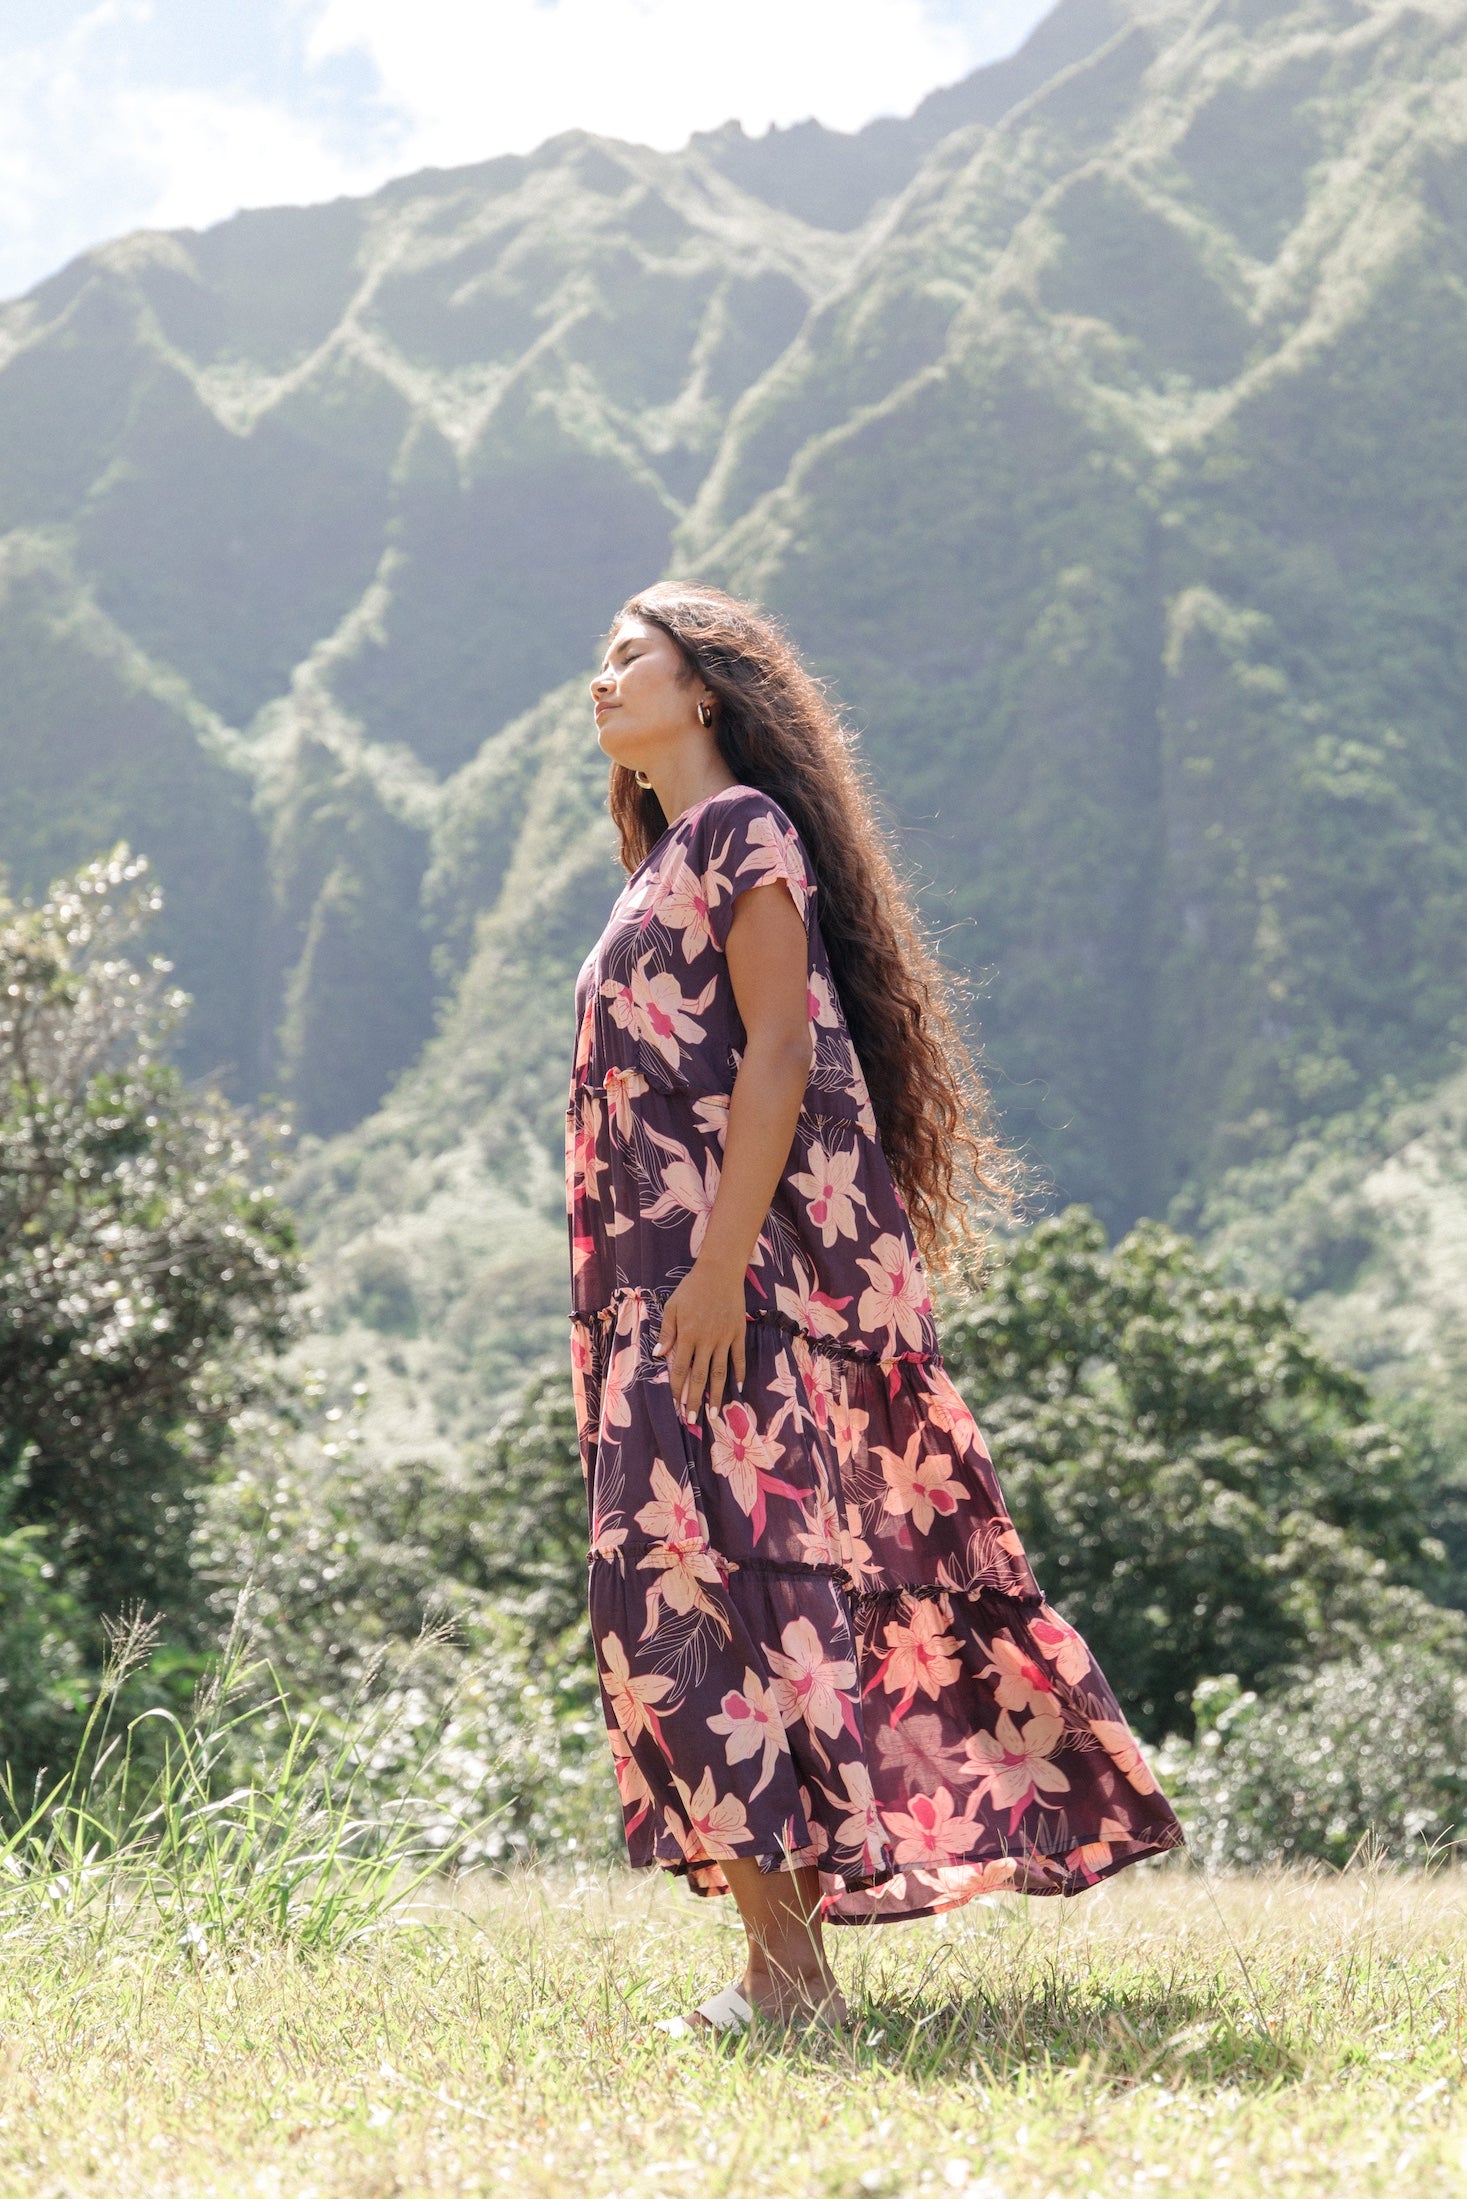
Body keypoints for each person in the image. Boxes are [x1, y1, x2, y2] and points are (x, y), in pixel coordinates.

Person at [568, 582, 1182, 2033]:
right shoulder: (663, 860)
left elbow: (779, 1054)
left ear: (705, 688)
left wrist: (717, 1272)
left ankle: (790, 1982)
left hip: (718, 1295)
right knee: (684, 1605)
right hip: (652, 1296)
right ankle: (782, 1974)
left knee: (721, 1601)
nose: (602, 680)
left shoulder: (742, 833)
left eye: (631, 657)